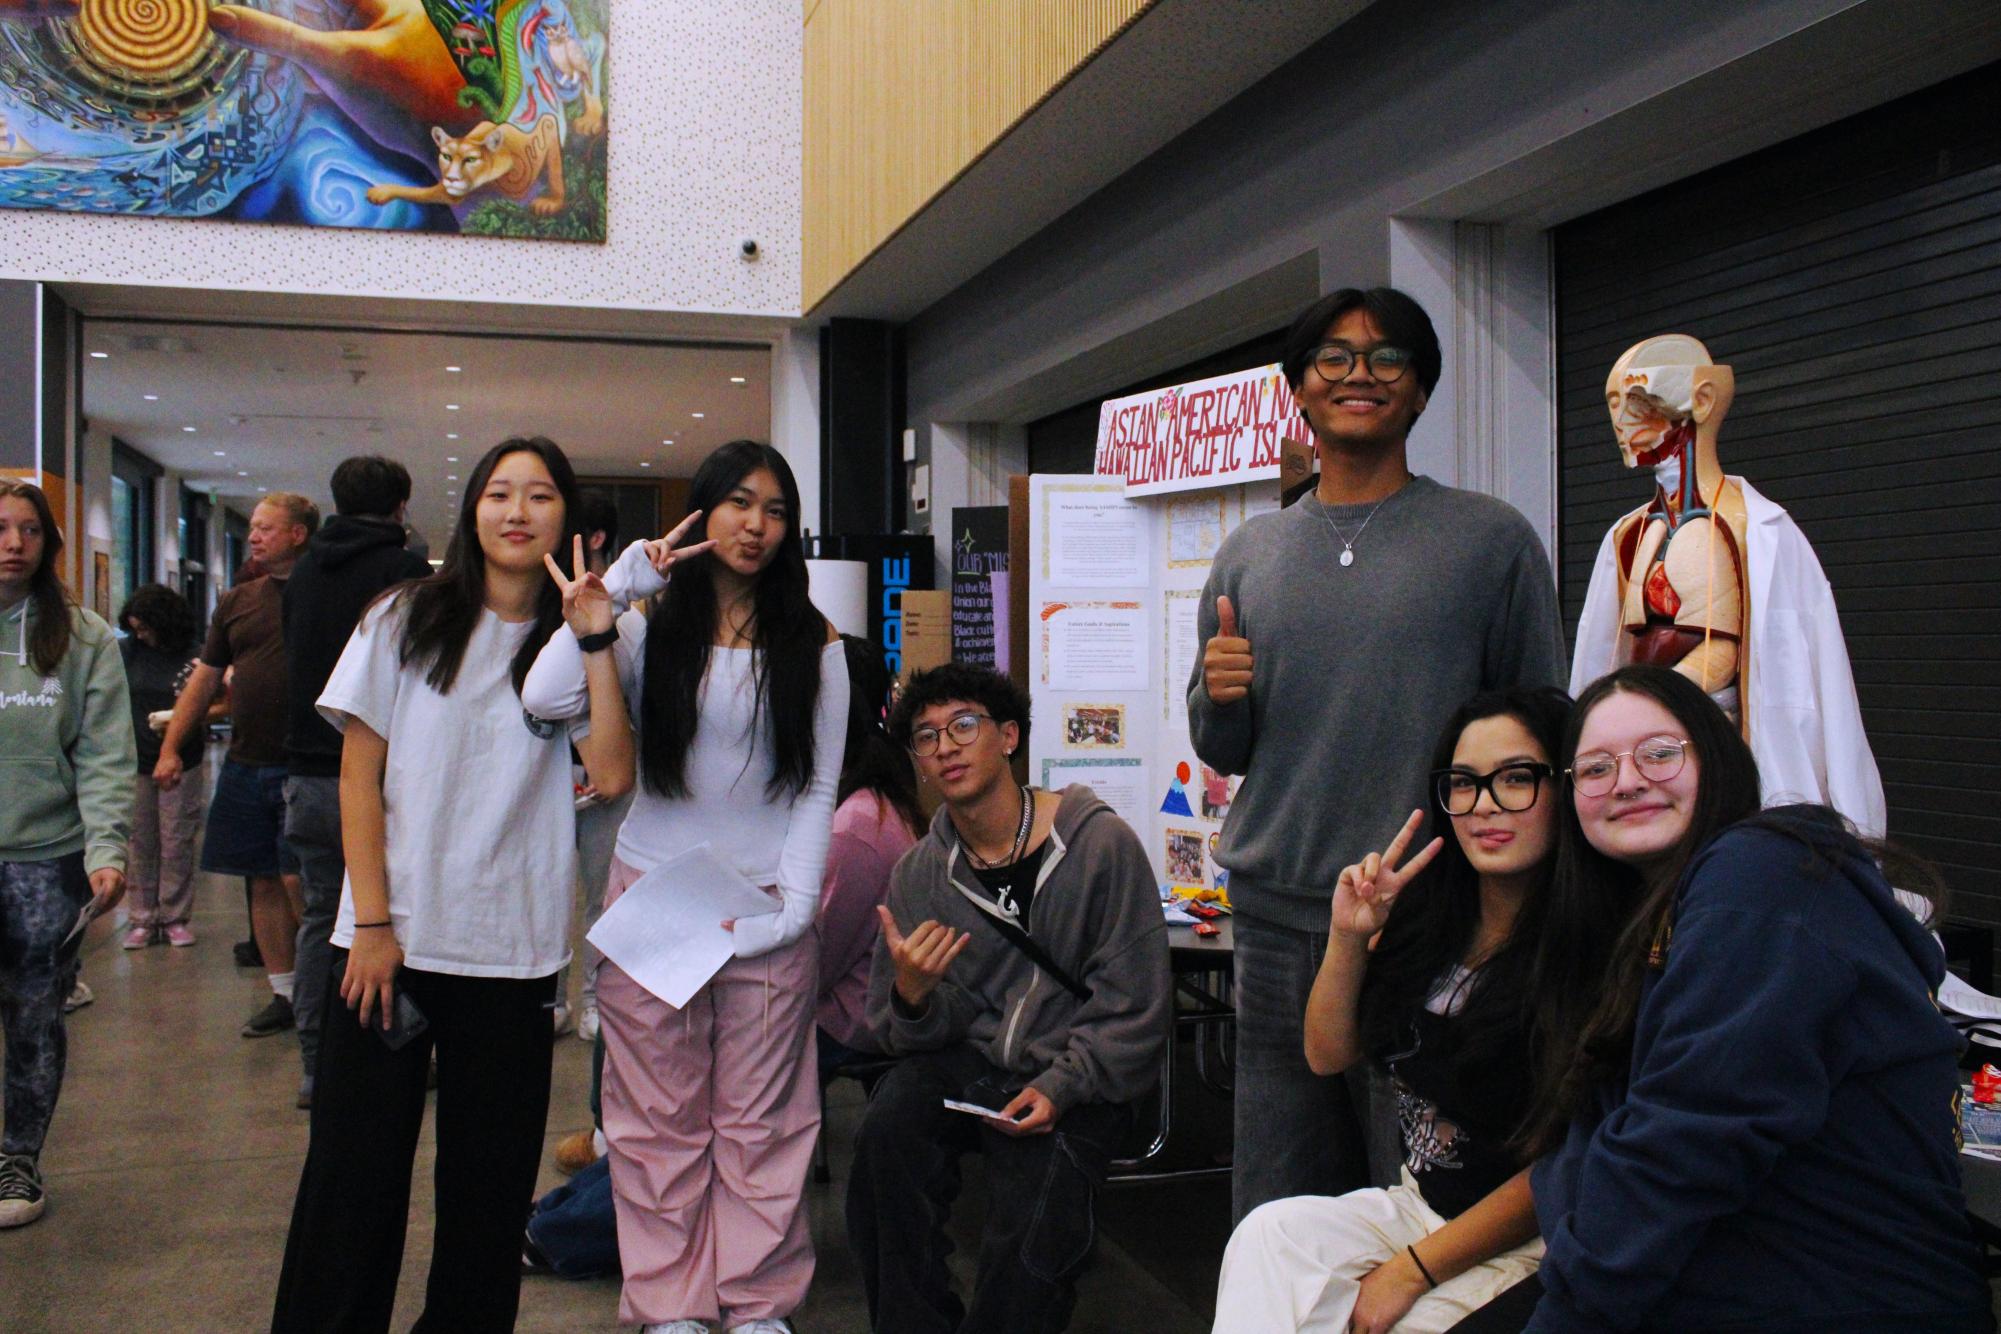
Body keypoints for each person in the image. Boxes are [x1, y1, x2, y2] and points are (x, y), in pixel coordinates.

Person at [1190, 287, 1567, 1221]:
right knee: (1276, 1197)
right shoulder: (1250, 551)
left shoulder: (1489, 541)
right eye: (1333, 357)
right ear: (1299, 392)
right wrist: (1218, 693)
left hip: (1428, 920)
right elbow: (1222, 748)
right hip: (1276, 919)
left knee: (1414, 1197)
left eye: (1387, 357)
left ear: (1422, 391)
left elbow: (1540, 730)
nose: (1359, 373)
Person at [270, 436, 630, 1332]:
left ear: (567, 518)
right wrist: (377, 924)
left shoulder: (576, 640)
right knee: (352, 1188)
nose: (517, 511)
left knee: (486, 1198)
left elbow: (614, 774)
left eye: (540, 495)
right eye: (499, 493)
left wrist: (595, 635)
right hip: (389, 945)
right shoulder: (405, 615)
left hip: (513, 954)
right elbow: (360, 776)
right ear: (471, 511)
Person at [1520, 664, 1992, 1333]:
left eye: (1659, 753)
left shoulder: (1762, 872)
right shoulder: (1641, 934)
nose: (1626, 781)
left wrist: (1564, 1311)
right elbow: (1582, 1148)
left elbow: (1684, 1138)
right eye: (1594, 768)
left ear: (1716, 758)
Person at [522, 439, 845, 1334]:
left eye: (776, 510)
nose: (757, 526)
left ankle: (755, 1305)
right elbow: (547, 699)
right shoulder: (644, 626)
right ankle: (670, 1305)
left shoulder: (813, 641)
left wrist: (796, 911)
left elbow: (818, 788)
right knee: (654, 1120)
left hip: (767, 904)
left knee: (764, 1122)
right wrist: (614, 594)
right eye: (739, 504)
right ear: (703, 513)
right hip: (658, 898)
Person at [1212, 687, 1629, 1333]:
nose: (1484, 804)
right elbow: (1327, 1055)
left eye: (1516, 778)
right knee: (1271, 1235)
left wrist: (1411, 1271)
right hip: (1417, 1205)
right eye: (1461, 784)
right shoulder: (1430, 915)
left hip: (1528, 1237)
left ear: (1566, 787)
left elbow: (1564, 1169)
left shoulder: (1595, 950)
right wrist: (1349, 935)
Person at [845, 662, 1172, 1334]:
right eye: (927, 736)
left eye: (964, 726)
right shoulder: (921, 874)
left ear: (1009, 737)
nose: (945, 747)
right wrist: (911, 997)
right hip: (969, 1063)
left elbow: (1135, 1003)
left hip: (1078, 1074)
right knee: (885, 1138)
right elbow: (903, 1034)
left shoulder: (1096, 845)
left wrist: (1062, 1084)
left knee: (1031, 1225)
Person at [0, 480, 133, 1229]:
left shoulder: (81, 639)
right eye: (0, 528)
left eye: (29, 530)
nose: (13, 543)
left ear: (50, 545)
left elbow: (107, 753)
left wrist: (107, 845)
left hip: (45, 862)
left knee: (31, 1017)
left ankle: (17, 1156)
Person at [279, 455, 430, 1110]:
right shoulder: (403, 574)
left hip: (305, 771)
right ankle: (393, 1051)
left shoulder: (303, 570)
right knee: (389, 919)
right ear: (400, 505)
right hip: (374, 780)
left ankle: (317, 1061)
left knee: (320, 919)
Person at [156, 492, 317, 1041]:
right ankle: (286, 993)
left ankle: (320, 992)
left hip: (309, 767)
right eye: (252, 528)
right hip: (248, 763)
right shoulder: (237, 601)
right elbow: (205, 679)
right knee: (263, 882)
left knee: (303, 882)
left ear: (298, 534)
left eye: (266, 528)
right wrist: (172, 746)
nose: (254, 537)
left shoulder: (326, 595)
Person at [815, 633, 922, 1077]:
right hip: (859, 997)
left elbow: (812, 967)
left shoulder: (856, 826)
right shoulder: (876, 787)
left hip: (850, 1017)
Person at [564, 487, 632, 1045]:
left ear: (594, 541)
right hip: (546, 776)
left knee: (602, 895)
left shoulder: (626, 614)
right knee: (538, 891)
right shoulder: (541, 609)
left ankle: (594, 1000)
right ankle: (549, 999)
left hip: (606, 783)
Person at [117, 583, 206, 950]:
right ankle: (141, 916)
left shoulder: (195, 656)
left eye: (147, 628)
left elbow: (210, 703)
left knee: (176, 839)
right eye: (136, 629)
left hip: (182, 759)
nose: (141, 636)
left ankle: (174, 916)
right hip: (135, 758)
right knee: (140, 841)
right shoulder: (125, 653)